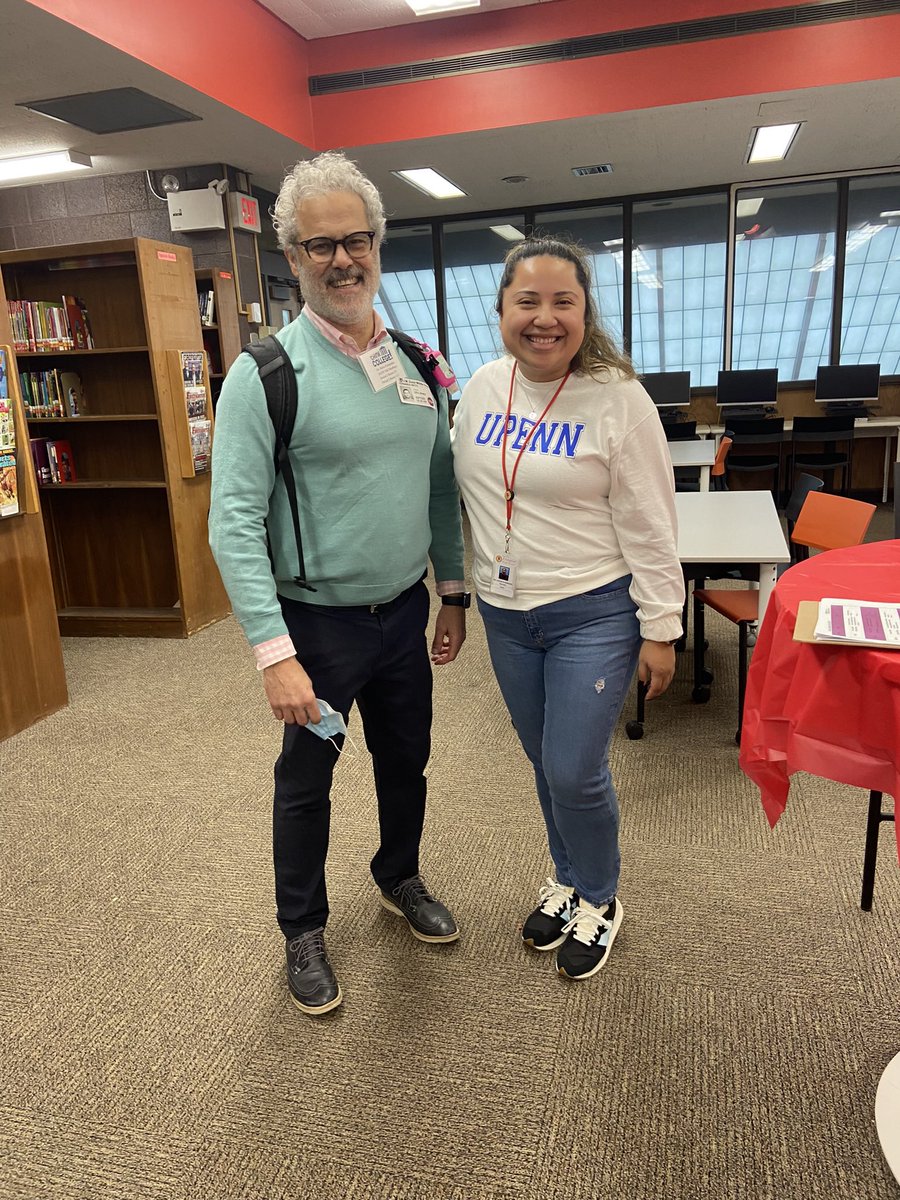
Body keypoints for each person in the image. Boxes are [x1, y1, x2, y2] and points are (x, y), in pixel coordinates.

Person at [208, 152, 467, 1018]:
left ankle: (398, 875)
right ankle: (303, 930)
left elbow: (438, 485)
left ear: (377, 245)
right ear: (293, 259)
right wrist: (273, 655)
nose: (342, 259)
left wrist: (454, 591)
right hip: (315, 628)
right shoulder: (266, 374)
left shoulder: (420, 367)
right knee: (306, 782)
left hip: (402, 614)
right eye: (320, 246)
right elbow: (233, 523)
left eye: (355, 240)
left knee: (407, 761)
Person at [451, 236, 684, 981]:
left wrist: (662, 627)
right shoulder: (483, 388)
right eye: (528, 301)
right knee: (541, 762)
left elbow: (650, 520)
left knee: (574, 768)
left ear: (585, 313)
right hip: (506, 614)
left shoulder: (618, 398)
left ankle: (602, 897)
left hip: (592, 610)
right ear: (500, 311)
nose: (544, 318)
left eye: (563, 302)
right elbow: (466, 496)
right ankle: (567, 878)